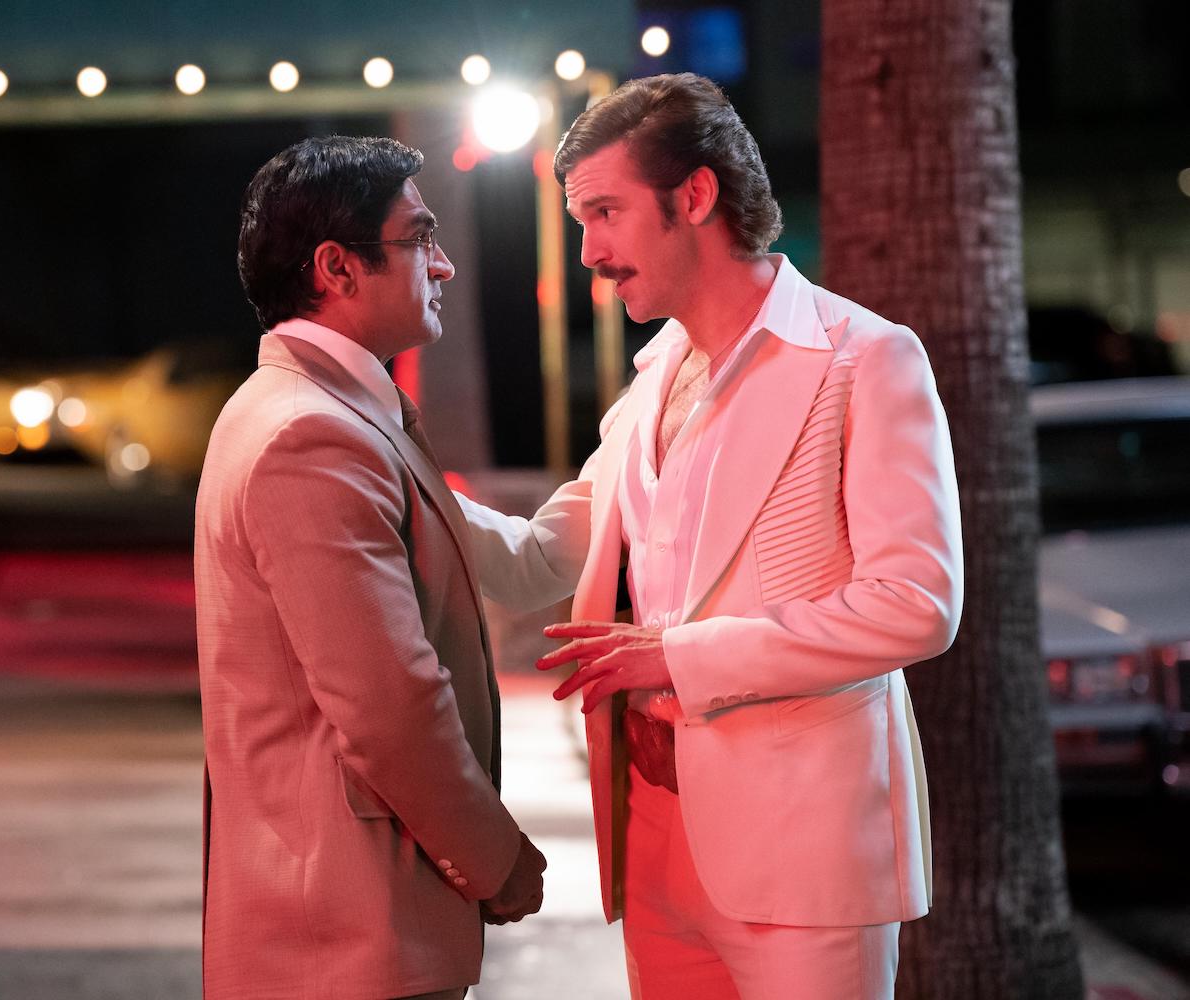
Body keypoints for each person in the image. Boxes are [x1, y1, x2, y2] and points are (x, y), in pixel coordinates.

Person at [456, 73, 964, 999]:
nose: (588, 252)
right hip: (654, 836)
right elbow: (536, 559)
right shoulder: (653, 381)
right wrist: (388, 468)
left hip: (805, 857)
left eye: (604, 212)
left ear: (695, 197)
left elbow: (917, 608)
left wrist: (678, 659)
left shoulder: (865, 358)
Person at [195, 135, 546, 1000]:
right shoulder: (311, 437)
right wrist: (492, 858)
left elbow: (491, 548)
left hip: (341, 920)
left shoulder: (313, 410)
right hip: (347, 932)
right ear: (337, 268)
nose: (446, 264)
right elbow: (390, 701)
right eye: (420, 237)